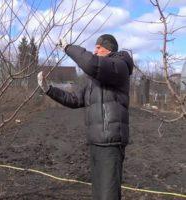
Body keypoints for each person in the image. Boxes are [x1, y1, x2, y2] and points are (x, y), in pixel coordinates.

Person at [37, 34, 134, 200]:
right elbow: (75, 100)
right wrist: (48, 89)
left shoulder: (119, 66)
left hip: (110, 142)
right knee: (98, 193)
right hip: (96, 141)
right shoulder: (94, 80)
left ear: (108, 49)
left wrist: (68, 47)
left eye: (98, 47)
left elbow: (91, 64)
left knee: (108, 194)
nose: (94, 51)